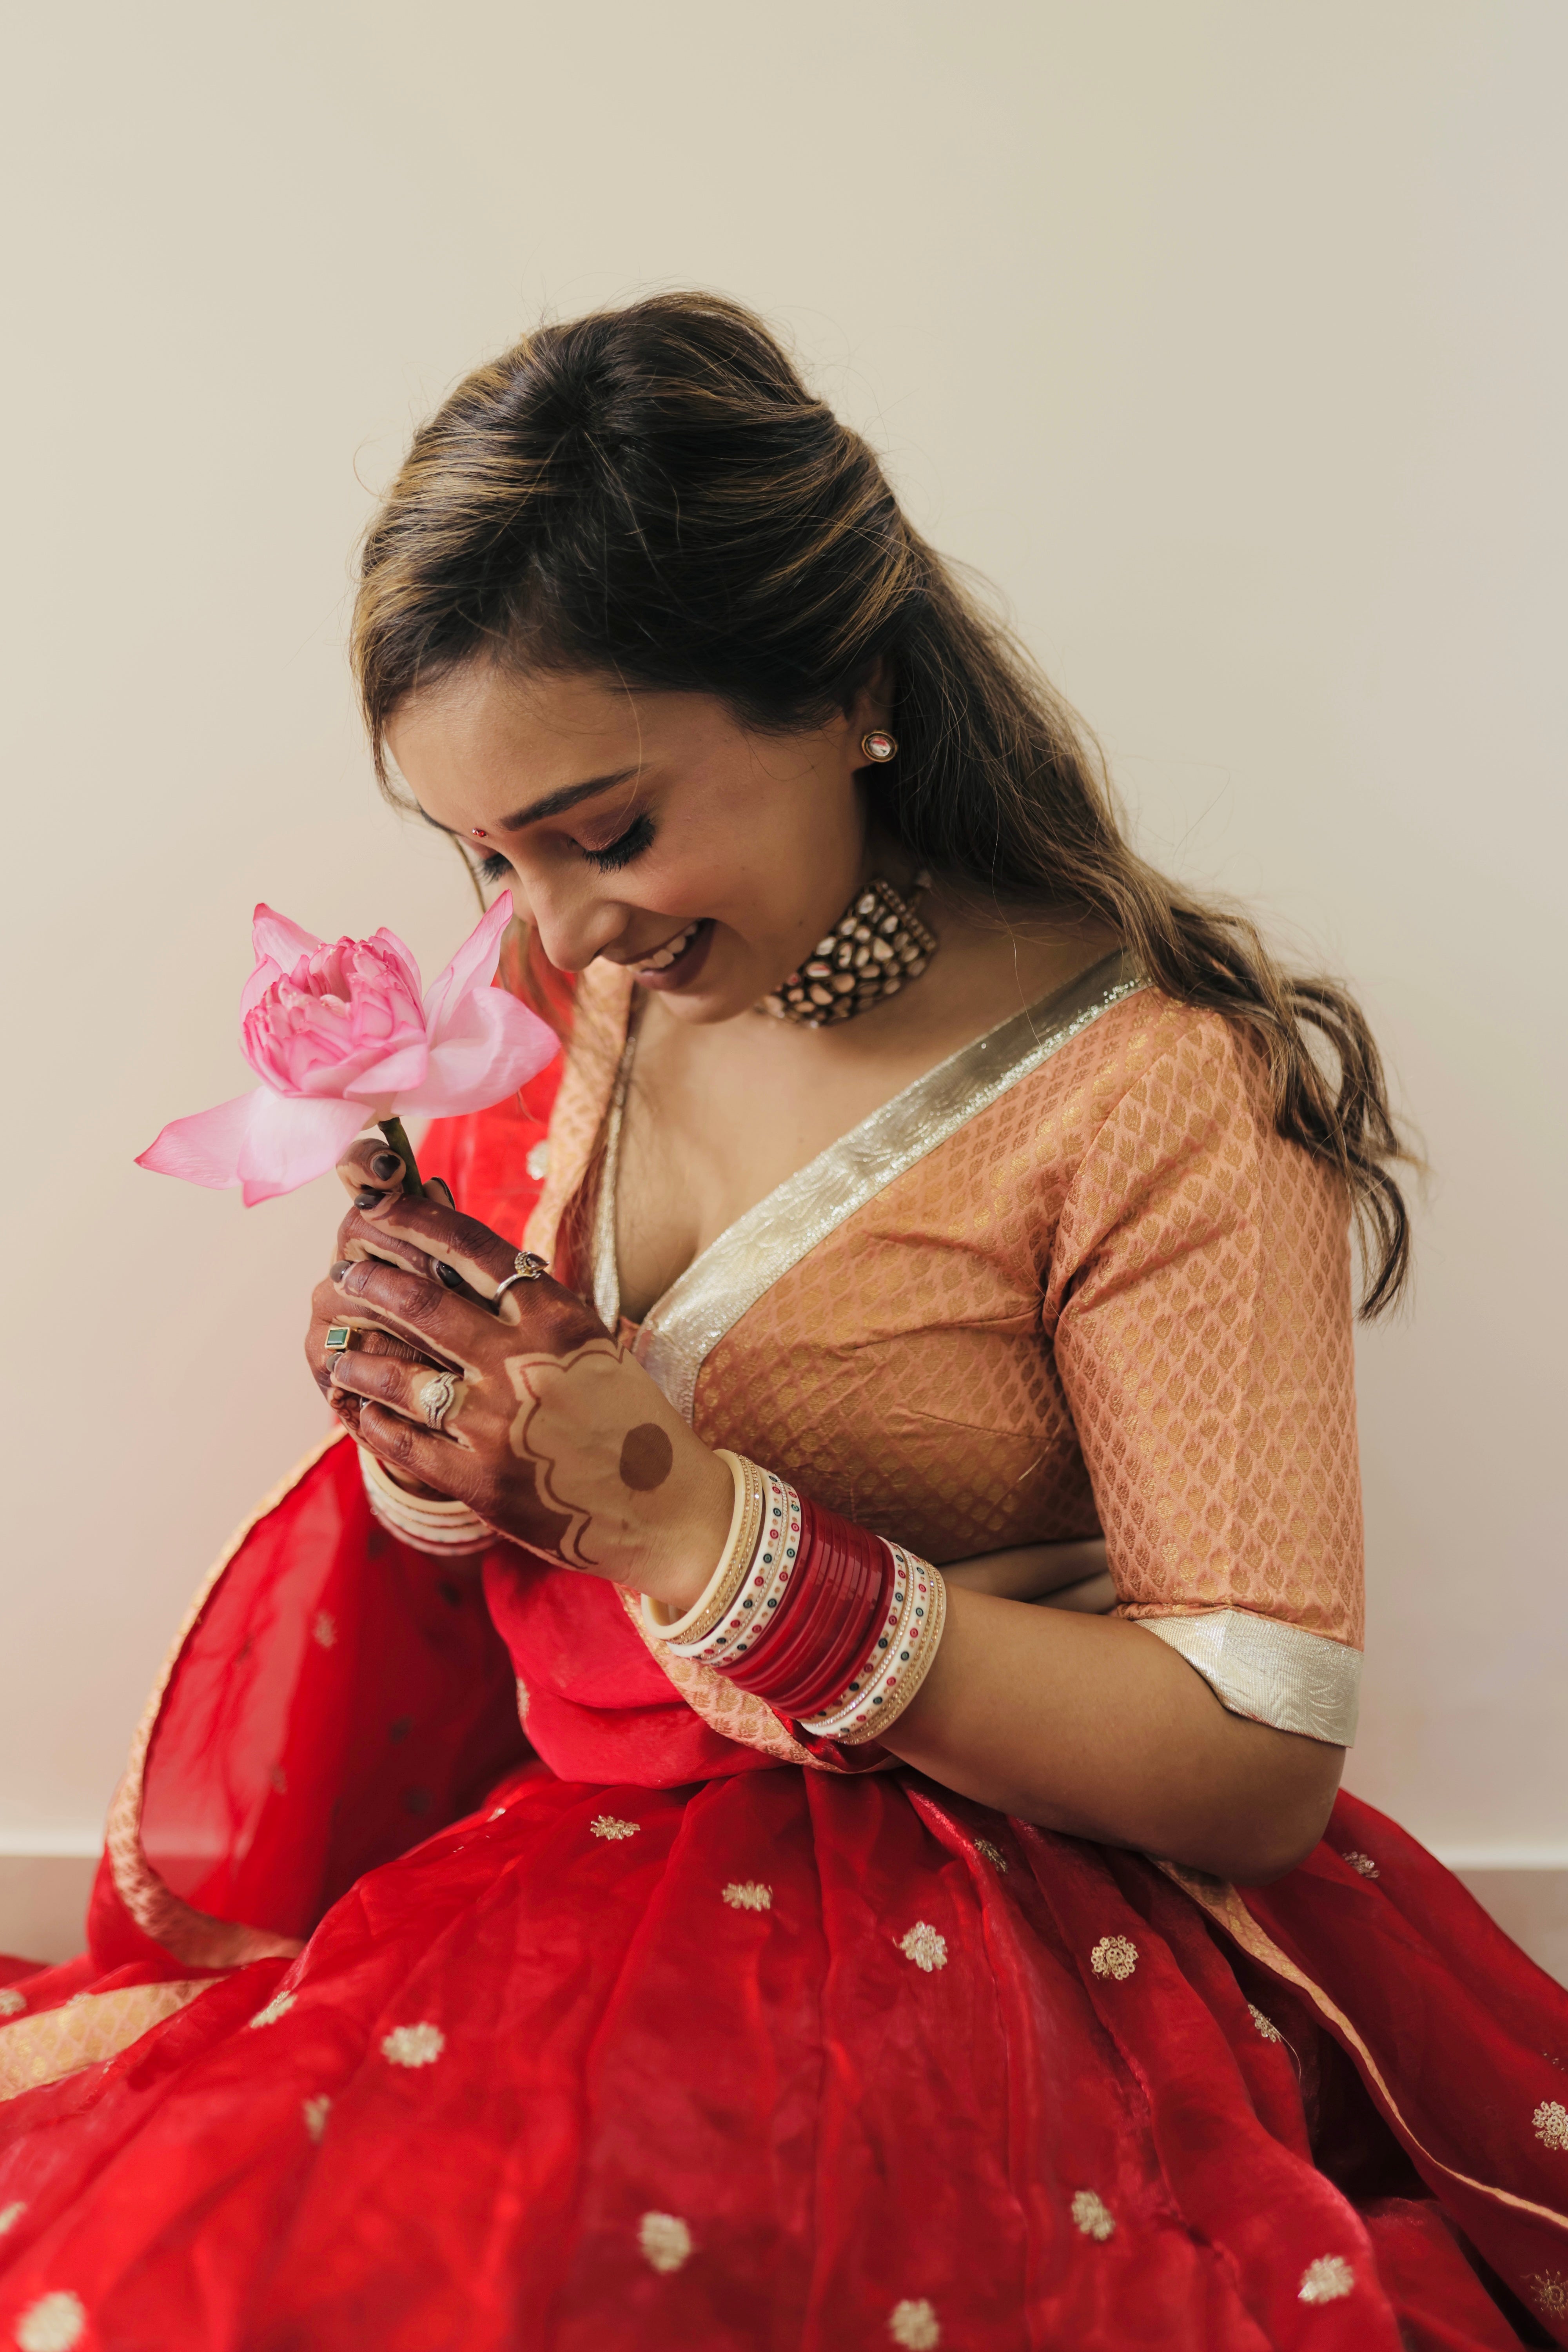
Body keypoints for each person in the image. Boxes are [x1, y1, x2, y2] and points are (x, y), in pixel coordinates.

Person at [0, 294, 1563, 2352]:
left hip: (1017, 1932)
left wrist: (702, 1532)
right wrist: (444, 1454)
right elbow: (525, 1549)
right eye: (485, 854)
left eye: (610, 830)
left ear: (855, 692)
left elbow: (1256, 1762)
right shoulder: (584, 1006)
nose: (550, 933)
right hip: (562, 1877)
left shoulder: (1157, 1094)